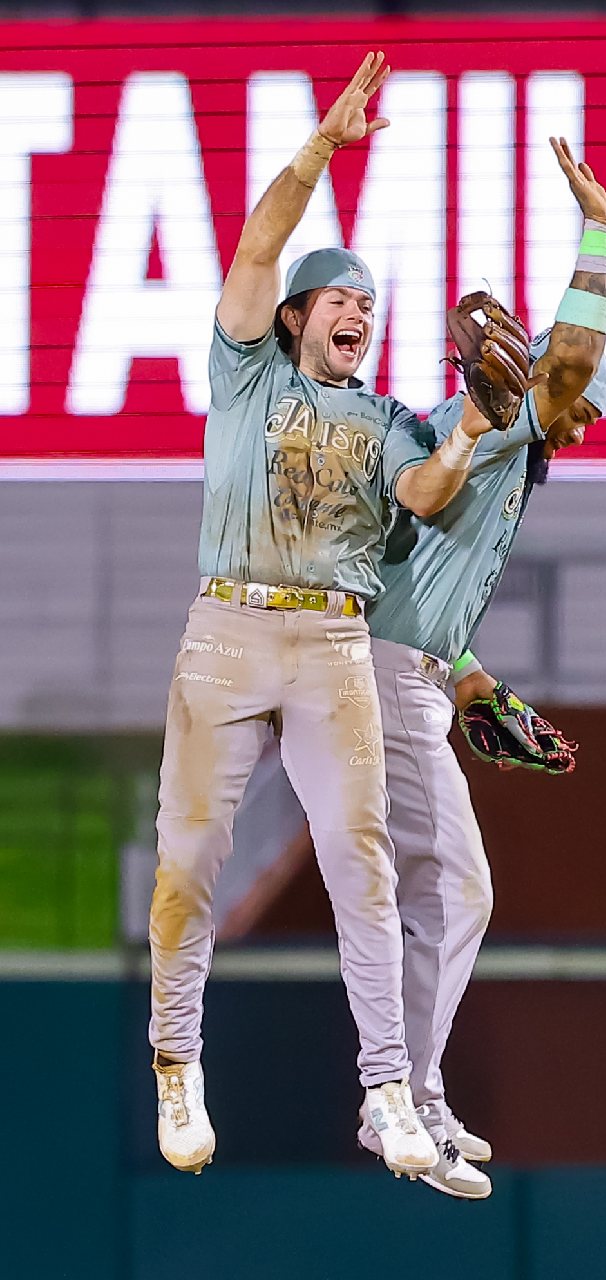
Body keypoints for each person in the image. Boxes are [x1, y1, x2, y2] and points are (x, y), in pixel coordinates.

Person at [149, 52, 506, 1181]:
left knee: (363, 863)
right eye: (339, 292)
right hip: (228, 624)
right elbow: (257, 245)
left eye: (368, 296)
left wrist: (468, 430)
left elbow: (428, 492)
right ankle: (175, 1056)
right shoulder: (249, 369)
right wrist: (321, 151)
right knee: (191, 853)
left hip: (335, 640)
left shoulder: (385, 414)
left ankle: (392, 1089)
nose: (359, 305)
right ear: (297, 310)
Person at [355, 136, 606, 1199]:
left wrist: (471, 679)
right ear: (513, 369)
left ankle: (407, 1088)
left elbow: (415, 589)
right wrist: (595, 227)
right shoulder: (503, 424)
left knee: (418, 890)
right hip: (382, 676)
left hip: (396, 669)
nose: (583, 407)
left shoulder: (480, 443)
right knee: (456, 887)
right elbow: (576, 360)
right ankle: (403, 1097)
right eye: (560, 386)